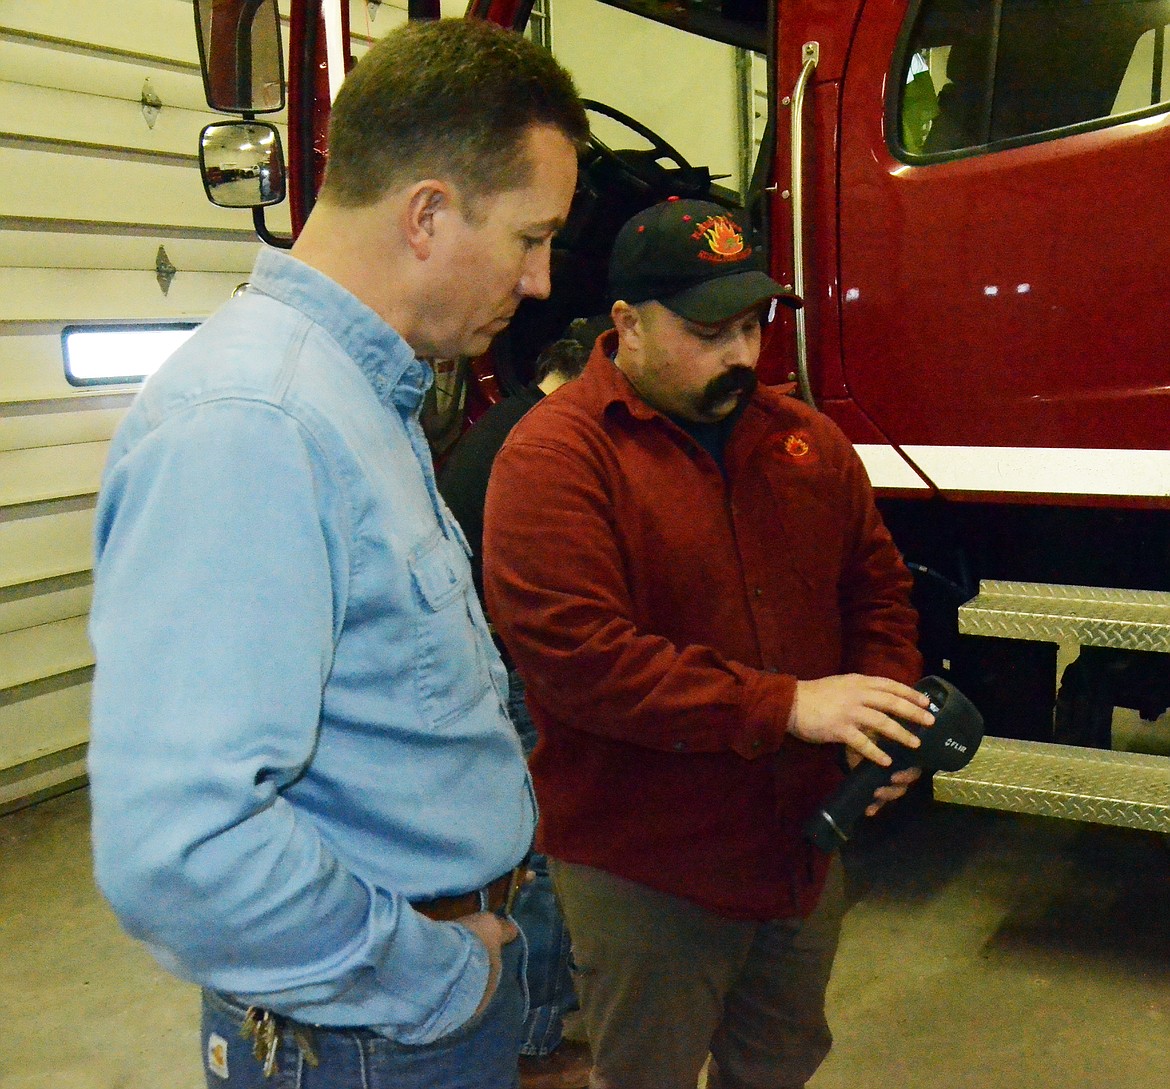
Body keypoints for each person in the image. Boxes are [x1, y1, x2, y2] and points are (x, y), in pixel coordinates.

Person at [87, 18, 587, 1089]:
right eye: (530, 237)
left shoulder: (357, 392)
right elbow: (183, 850)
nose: (540, 280)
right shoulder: (259, 422)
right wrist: (434, 981)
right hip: (376, 1035)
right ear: (426, 214)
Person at [482, 197, 934, 1089]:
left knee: (779, 1060)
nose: (740, 354)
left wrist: (882, 714)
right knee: (647, 1071)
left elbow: (875, 589)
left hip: (798, 849)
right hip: (649, 866)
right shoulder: (555, 458)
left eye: (753, 325)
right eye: (708, 329)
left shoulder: (807, 441)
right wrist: (790, 704)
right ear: (627, 324)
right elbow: (583, 661)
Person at [438, 324, 600, 1089]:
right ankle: (534, 1036)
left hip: (490, 659)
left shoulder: (499, 425)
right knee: (544, 848)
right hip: (516, 666)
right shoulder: (540, 439)